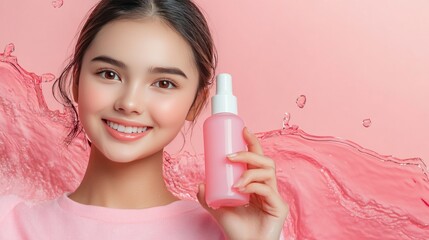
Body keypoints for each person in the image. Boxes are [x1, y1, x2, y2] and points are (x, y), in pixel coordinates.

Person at [0, 0, 288, 239]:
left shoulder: (231, 233)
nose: (129, 103)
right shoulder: (10, 224)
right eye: (109, 74)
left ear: (197, 102)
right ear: (76, 81)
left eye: (163, 83)